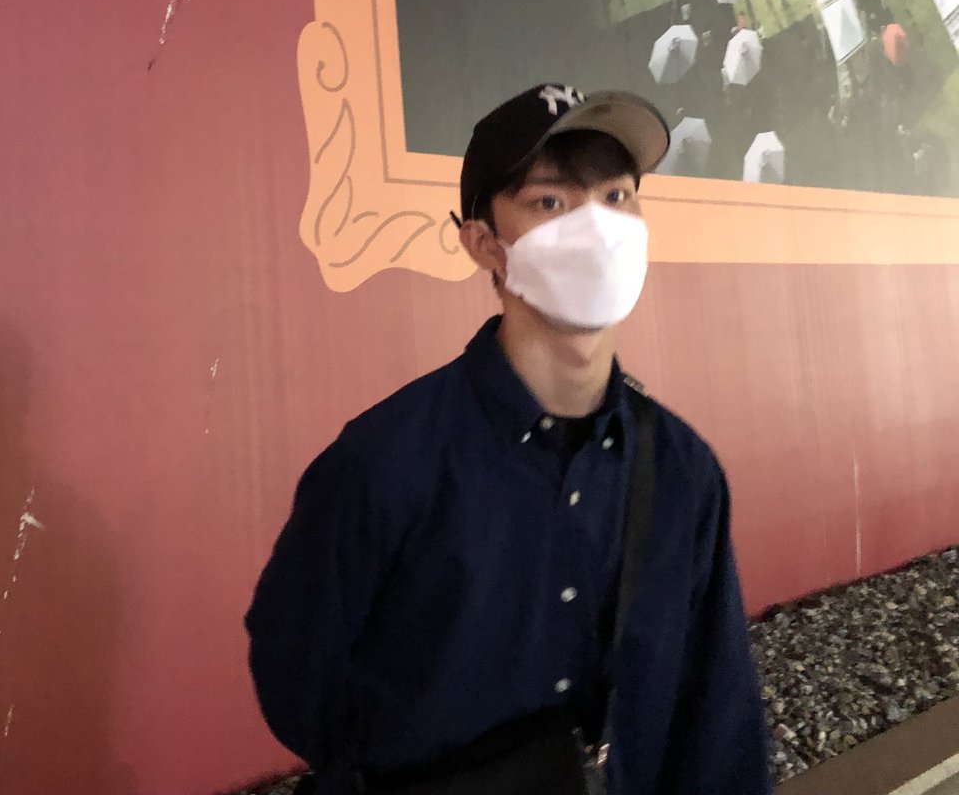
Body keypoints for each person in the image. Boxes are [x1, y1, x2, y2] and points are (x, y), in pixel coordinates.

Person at [246, 84, 771, 795]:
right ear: (483, 243)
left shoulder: (683, 471)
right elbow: (296, 671)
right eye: (550, 202)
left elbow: (716, 716)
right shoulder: (386, 463)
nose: (596, 228)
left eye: (616, 197)